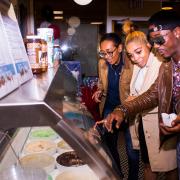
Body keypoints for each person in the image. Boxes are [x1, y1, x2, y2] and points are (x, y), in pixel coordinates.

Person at [95, 9, 180, 179]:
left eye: (159, 40)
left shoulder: (161, 62)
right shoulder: (168, 65)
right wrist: (123, 110)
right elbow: (153, 94)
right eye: (153, 42)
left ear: (177, 32)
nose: (156, 46)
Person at [124, 30, 177, 179]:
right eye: (131, 55)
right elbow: (136, 91)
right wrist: (130, 99)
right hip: (143, 123)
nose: (135, 58)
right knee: (148, 165)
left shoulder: (162, 61)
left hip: (161, 125)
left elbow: (157, 94)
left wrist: (132, 101)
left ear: (148, 45)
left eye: (138, 52)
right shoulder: (136, 66)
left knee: (170, 168)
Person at [92, 32, 134, 179]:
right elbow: (102, 83)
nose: (107, 57)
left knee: (132, 149)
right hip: (109, 107)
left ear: (120, 48)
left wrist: (124, 109)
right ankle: (118, 174)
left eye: (110, 52)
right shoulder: (102, 63)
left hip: (129, 108)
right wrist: (99, 90)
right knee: (109, 145)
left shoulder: (131, 64)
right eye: (103, 53)